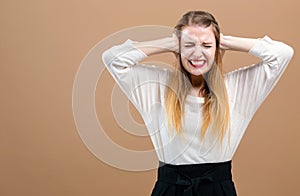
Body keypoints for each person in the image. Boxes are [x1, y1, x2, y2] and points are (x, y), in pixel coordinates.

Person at [102, 11, 293, 196]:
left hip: (219, 189)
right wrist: (168, 42)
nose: (197, 53)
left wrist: (223, 40)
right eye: (188, 45)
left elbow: (282, 53)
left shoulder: (235, 88)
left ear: (216, 48)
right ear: (178, 48)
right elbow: (112, 58)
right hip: (170, 189)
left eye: (206, 45)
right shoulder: (157, 86)